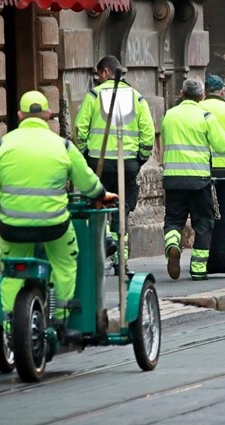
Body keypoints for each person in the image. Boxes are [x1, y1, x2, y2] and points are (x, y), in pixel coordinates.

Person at [0, 90, 117, 335]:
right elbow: (86, 180)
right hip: (54, 226)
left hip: (13, 227)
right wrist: (100, 194)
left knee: (12, 271)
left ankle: (11, 325)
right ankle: (61, 317)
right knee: (65, 262)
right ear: (48, 115)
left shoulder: (1, 145)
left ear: (20, 115)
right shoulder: (62, 145)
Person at [75, 56, 155, 274]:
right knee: (122, 209)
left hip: (99, 162)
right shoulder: (137, 98)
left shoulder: (93, 96)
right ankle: (122, 259)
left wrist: (84, 154)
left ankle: (106, 240)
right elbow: (148, 133)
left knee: (99, 203)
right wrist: (141, 158)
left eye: (98, 75)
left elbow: (80, 128)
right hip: (127, 163)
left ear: (105, 73)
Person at [161, 78, 225, 281]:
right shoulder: (206, 116)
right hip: (199, 180)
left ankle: (173, 245)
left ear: (181, 93)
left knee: (173, 219)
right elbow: (223, 146)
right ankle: (198, 270)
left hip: (173, 179)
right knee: (203, 223)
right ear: (202, 96)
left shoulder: (169, 116)